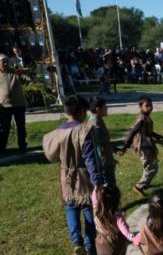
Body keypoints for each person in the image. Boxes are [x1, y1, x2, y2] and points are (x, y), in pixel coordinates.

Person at [42, 95, 98, 254]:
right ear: (81, 111)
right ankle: (89, 245)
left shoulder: (57, 132)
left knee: (71, 207)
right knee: (88, 209)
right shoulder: (84, 131)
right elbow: (90, 159)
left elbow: (51, 155)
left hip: (65, 174)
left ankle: (76, 240)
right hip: (84, 176)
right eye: (85, 111)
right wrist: (97, 181)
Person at [117, 96, 163, 197]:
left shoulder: (145, 116)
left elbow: (149, 132)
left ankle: (145, 183)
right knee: (152, 168)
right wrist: (125, 147)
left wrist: (161, 137)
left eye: (151, 105)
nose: (150, 108)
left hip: (147, 145)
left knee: (149, 166)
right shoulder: (142, 119)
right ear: (140, 107)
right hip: (144, 146)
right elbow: (133, 131)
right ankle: (139, 186)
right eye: (147, 106)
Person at [92, 185, 135, 254]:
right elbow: (123, 226)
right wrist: (130, 236)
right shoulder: (116, 215)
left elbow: (94, 199)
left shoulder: (96, 210)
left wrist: (95, 190)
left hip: (101, 242)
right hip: (116, 241)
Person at [0, 53, 28, 155]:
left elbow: (26, 72)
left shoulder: (14, 72)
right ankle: (2, 148)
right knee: (4, 128)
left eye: (7, 61)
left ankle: (22, 146)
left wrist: (22, 70)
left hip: (19, 104)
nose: (6, 64)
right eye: (3, 62)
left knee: (21, 127)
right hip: (4, 106)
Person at [87, 97, 117, 185]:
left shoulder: (97, 120)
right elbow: (101, 144)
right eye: (105, 107)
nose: (107, 108)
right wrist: (108, 160)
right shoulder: (95, 124)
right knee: (109, 186)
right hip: (103, 163)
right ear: (98, 109)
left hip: (105, 160)